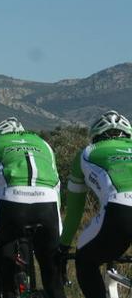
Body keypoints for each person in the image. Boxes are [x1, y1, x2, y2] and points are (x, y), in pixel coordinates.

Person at [0, 117, 65, 298]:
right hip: (48, 205)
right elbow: (57, 186)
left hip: (11, 205)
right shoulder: (44, 144)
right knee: (52, 275)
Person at [59, 110, 132, 298]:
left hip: (121, 210)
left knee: (85, 260)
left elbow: (75, 212)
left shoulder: (87, 153)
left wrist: (64, 246)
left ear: (96, 137)